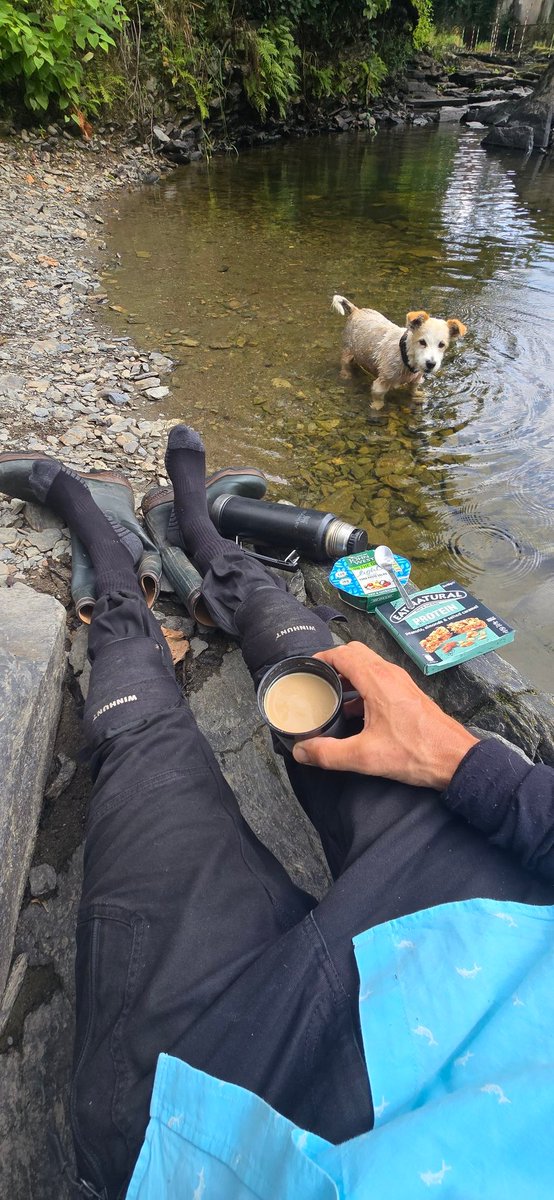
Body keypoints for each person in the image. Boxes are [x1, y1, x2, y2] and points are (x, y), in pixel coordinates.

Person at [8, 427, 554, 1200]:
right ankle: (205, 542)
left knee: (142, 744)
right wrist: (467, 762)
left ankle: (118, 580)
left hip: (219, 1108)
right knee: (324, 673)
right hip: (492, 916)